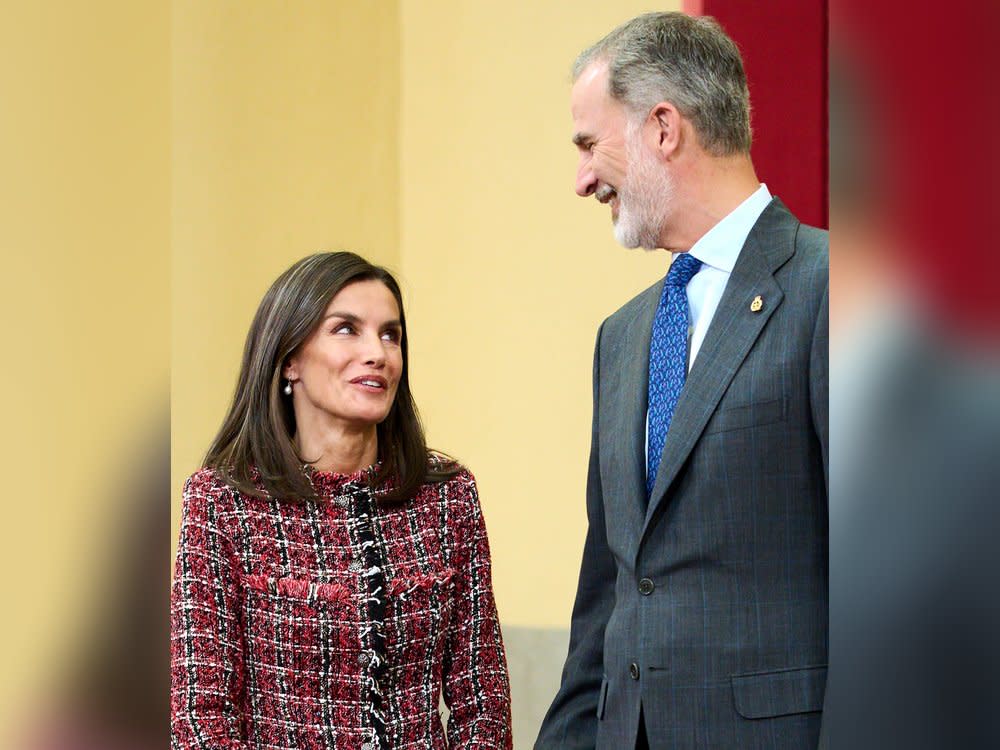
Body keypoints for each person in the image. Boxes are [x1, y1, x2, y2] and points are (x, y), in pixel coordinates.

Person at [535, 12, 828, 750]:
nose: (581, 180)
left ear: (663, 128)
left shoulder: (835, 287)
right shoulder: (623, 336)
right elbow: (607, 584)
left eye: (588, 144)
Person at [170, 252, 512, 750]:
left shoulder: (447, 496)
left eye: (390, 334)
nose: (378, 353)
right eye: (347, 329)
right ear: (290, 359)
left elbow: (481, 699)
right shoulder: (222, 502)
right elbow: (201, 716)